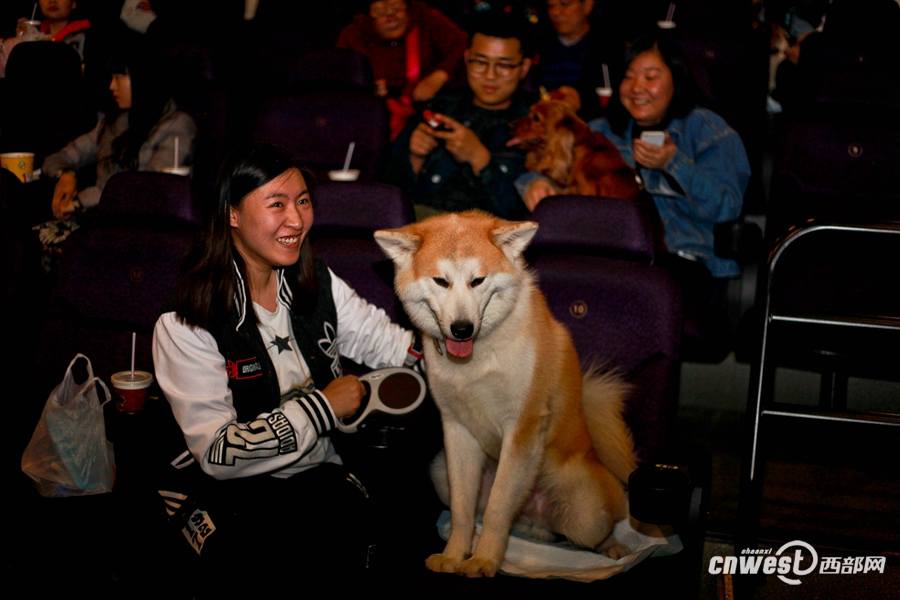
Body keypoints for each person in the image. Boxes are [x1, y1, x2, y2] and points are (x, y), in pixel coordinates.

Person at [151, 143, 424, 584]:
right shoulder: (188, 320)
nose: (296, 220)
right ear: (232, 214)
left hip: (318, 473)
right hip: (226, 491)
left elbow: (388, 344)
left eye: (302, 201)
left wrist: (451, 358)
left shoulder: (313, 279)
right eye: (276, 204)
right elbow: (219, 454)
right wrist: (323, 407)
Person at [521, 33, 750, 347]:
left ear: (677, 79)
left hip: (680, 261)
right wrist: (535, 183)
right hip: (603, 258)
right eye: (628, 77)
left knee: (617, 299)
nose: (637, 87)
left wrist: (675, 163)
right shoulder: (601, 131)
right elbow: (540, 167)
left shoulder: (707, 130)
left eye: (650, 77)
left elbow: (727, 207)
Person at [387, 13, 534, 220]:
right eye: (480, 62)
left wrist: (480, 160)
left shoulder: (537, 126)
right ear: (467, 59)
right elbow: (388, 194)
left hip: (486, 237)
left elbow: (526, 221)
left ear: (524, 68)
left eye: (504, 65)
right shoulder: (439, 108)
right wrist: (414, 157)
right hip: (419, 227)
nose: (490, 75)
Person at [337, 0, 467, 139]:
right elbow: (339, 79)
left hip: (429, 112)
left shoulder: (427, 20)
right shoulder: (354, 35)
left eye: (397, 8)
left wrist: (440, 75)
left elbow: (463, 46)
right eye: (380, 11)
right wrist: (368, 90)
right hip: (373, 120)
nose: (391, 17)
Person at [533, 0, 623, 120]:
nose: (555, 12)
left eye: (565, 4)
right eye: (551, 6)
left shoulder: (609, 49)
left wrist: (582, 102)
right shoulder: (537, 47)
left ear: (587, 5)